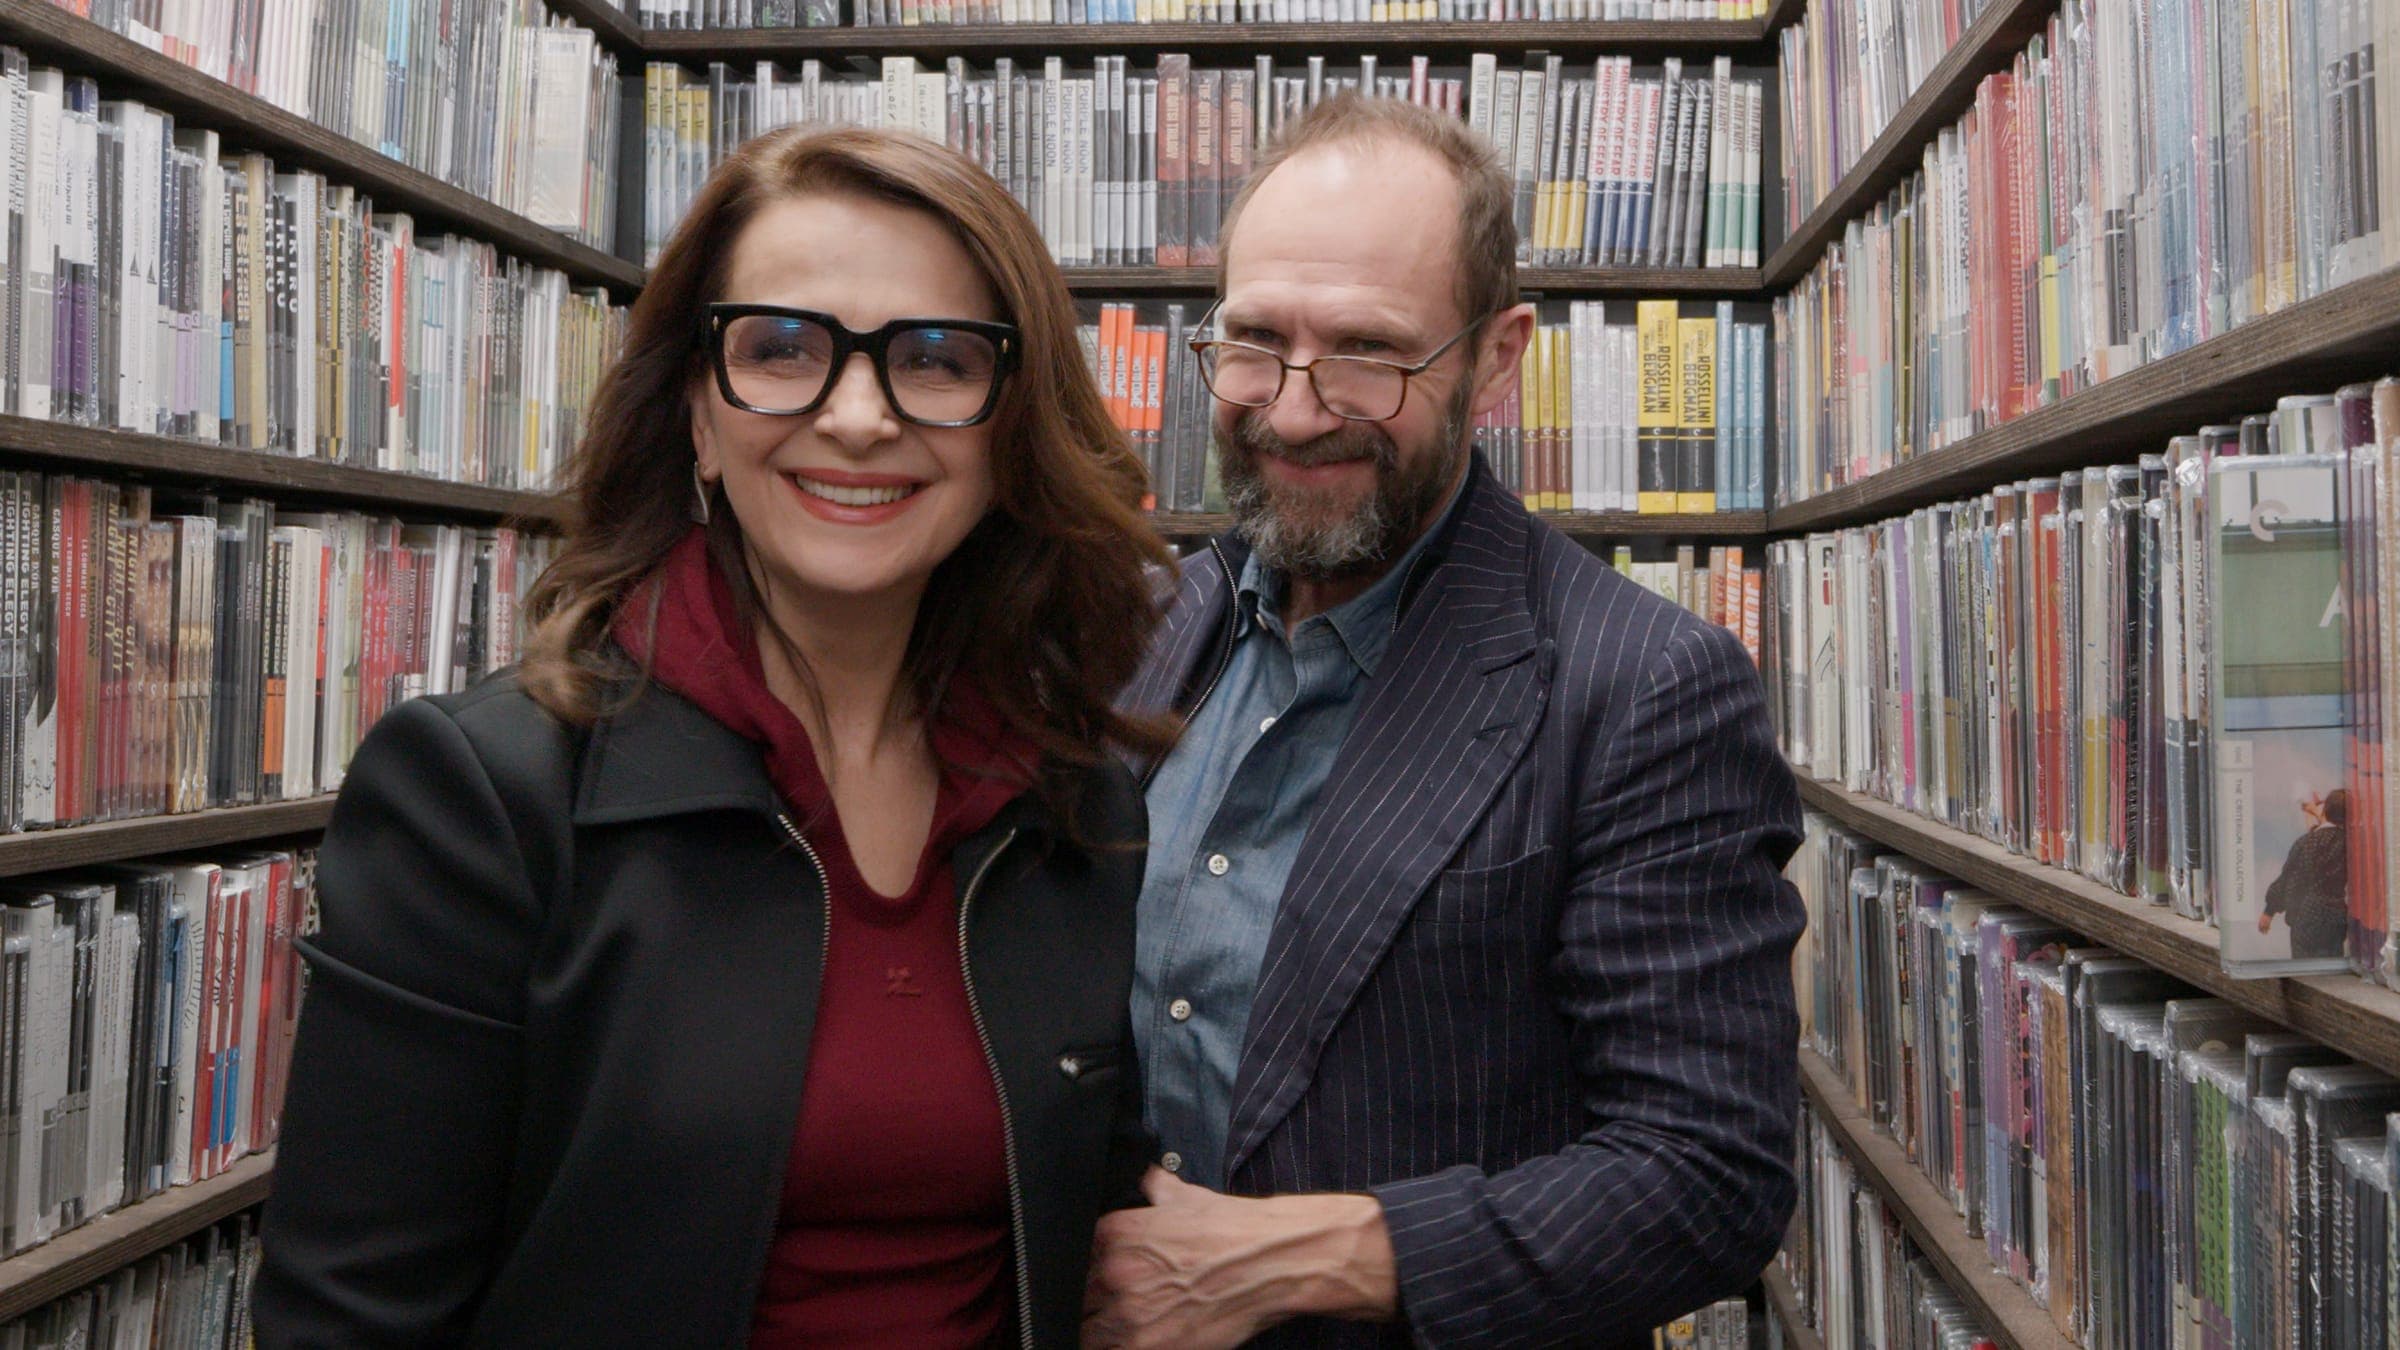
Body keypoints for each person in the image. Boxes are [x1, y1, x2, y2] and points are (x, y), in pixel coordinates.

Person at [251, 126, 1167, 1349]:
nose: (857, 416)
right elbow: (346, 1324)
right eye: (781, 349)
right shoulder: (482, 798)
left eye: (936, 359)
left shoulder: (1072, 806)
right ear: (696, 413)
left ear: (1012, 427)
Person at [1088, 96, 1806, 1349]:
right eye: (1254, 340)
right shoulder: (1140, 624)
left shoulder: (1646, 686)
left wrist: (1299, 1260)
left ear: (1498, 360)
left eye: (1368, 352)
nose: (1294, 411)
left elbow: (1708, 1173)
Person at [2260, 788, 2349, 960]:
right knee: (2331, 965)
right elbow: (2329, 833)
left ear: (2326, 811)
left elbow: (2287, 878)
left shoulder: (2306, 843)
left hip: (2306, 917)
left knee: (2304, 967)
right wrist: (2314, 812)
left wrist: (2268, 911)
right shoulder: (2348, 842)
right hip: (2336, 919)